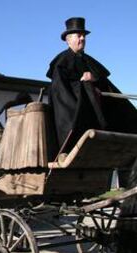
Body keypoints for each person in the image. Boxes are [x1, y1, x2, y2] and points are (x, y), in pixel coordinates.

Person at [47, 17, 137, 153]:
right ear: (68, 40)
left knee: (123, 107)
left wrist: (94, 79)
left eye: (83, 36)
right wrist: (83, 85)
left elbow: (107, 86)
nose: (82, 38)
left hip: (97, 107)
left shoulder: (89, 61)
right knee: (87, 90)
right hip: (77, 112)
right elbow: (61, 92)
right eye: (78, 35)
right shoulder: (61, 63)